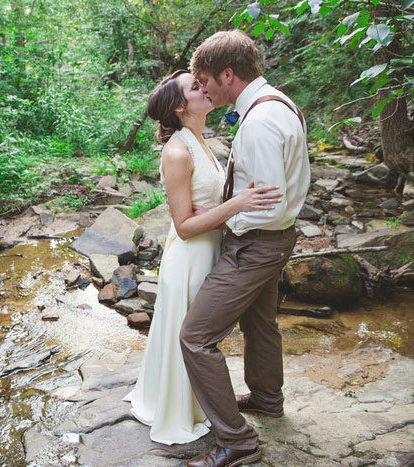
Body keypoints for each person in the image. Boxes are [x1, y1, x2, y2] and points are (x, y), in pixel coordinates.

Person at [123, 69, 282, 445]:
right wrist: (238, 204)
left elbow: (207, 208)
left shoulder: (200, 139)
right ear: (180, 106)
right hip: (190, 258)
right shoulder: (177, 150)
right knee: (192, 334)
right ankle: (182, 411)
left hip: (213, 250)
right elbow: (184, 226)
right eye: (196, 87)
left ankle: (206, 402)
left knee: (203, 335)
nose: (206, 89)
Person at [180, 30, 310, 467]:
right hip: (274, 241)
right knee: (260, 323)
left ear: (228, 74)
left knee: (196, 338)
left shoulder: (257, 122)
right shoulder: (278, 102)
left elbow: (266, 204)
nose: (203, 90)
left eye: (205, 81)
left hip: (256, 244)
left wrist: (225, 219)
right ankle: (267, 398)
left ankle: (236, 442)